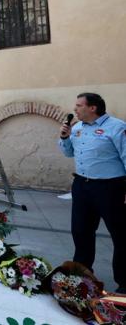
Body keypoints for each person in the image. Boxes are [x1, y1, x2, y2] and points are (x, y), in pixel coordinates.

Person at [58, 92, 126, 294]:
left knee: (121, 234)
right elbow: (68, 153)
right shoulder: (77, 128)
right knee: (81, 231)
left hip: (110, 187)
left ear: (93, 108)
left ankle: (124, 281)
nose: (75, 109)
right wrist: (64, 137)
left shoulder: (117, 127)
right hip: (82, 186)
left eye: (79, 105)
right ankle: (82, 274)